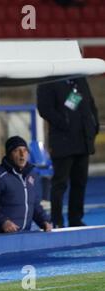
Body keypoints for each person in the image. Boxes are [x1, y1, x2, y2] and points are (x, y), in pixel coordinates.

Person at [37, 77, 100, 228]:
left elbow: (90, 103)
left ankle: (76, 219)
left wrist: (94, 126)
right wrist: (65, 123)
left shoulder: (79, 79)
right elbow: (44, 109)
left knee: (80, 183)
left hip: (82, 141)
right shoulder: (48, 80)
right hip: (63, 142)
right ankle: (57, 221)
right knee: (60, 184)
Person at [0, 136, 53, 234]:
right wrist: (3, 222)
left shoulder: (31, 176)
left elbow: (34, 205)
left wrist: (44, 220)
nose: (22, 154)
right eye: (17, 150)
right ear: (9, 154)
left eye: (25, 150)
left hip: (24, 237)